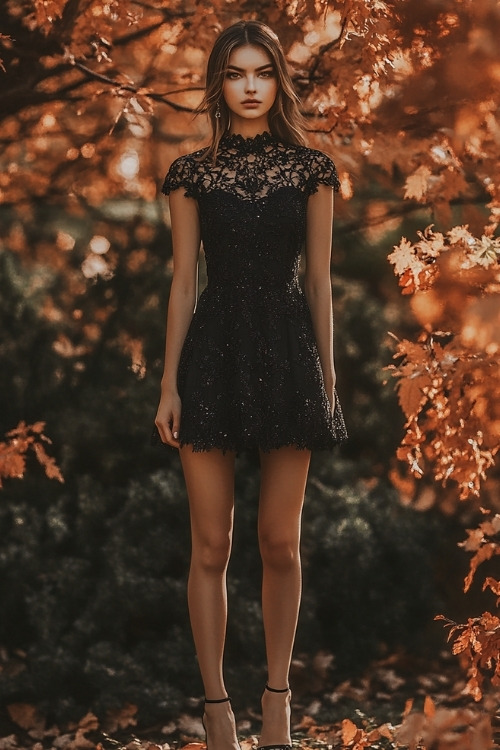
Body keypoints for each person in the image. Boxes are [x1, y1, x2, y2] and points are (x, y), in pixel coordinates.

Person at [154, 19, 347, 750]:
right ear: (219, 83)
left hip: (289, 353)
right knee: (211, 544)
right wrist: (168, 383)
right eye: (235, 73)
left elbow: (323, 282)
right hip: (210, 356)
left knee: (278, 544)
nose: (249, 85)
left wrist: (329, 379)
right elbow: (181, 284)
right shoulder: (190, 174)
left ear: (278, 80)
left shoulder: (314, 171)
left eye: (261, 71)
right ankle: (214, 711)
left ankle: (277, 703)